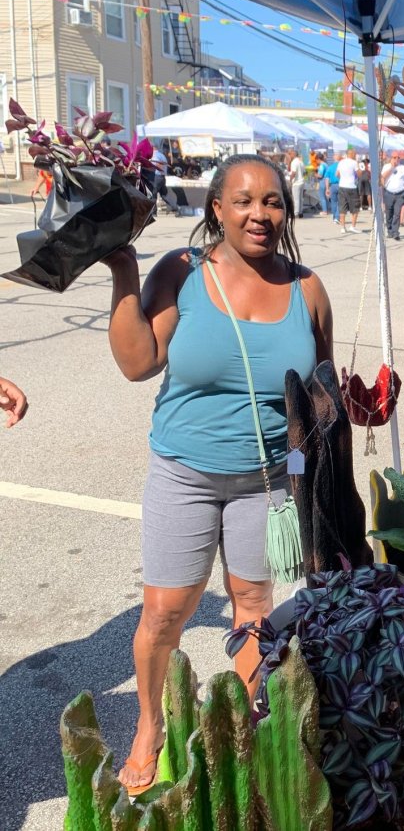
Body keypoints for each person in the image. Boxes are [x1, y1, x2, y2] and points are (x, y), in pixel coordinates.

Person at [101, 153, 333, 797]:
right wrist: (124, 272)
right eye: (244, 201)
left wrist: (343, 411)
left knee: (255, 609)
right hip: (185, 473)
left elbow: (322, 383)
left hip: (266, 482)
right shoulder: (183, 271)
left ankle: (252, 722)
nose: (260, 214)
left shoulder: (308, 287)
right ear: (217, 209)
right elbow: (138, 360)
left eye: (274, 202)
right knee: (166, 612)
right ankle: (150, 726)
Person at [381, 152, 404, 240]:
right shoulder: (386, 167)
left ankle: (395, 232)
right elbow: (382, 177)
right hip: (389, 193)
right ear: (391, 158)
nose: (396, 159)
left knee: (397, 213)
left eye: (398, 158)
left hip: (400, 193)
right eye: (394, 157)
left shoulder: (403, 168)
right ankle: (390, 230)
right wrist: (391, 168)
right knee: (389, 213)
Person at [146, 144, 179, 214]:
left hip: (158, 176)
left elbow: (158, 164)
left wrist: (151, 168)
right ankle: (174, 206)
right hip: (162, 177)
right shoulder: (162, 155)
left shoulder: (155, 155)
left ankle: (153, 211)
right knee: (164, 194)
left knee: (153, 193)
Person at [336, 148, 362, 234]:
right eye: (354, 154)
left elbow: (337, 174)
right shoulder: (354, 163)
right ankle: (352, 226)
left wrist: (343, 178)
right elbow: (359, 174)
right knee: (355, 207)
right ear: (351, 154)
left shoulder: (341, 162)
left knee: (342, 207)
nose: (355, 155)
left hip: (342, 186)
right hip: (352, 186)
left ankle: (343, 227)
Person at [284, 148, 306, 220]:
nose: (289, 156)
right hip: (302, 181)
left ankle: (296, 213)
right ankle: (300, 212)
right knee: (300, 198)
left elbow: (293, 172)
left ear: (293, 154)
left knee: (296, 199)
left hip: (296, 183)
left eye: (290, 154)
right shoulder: (301, 162)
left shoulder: (294, 162)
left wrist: (290, 180)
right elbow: (305, 172)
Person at [324, 151, 342, 224]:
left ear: (334, 158)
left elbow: (327, 178)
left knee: (333, 202)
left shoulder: (330, 167)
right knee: (340, 202)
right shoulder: (342, 166)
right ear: (340, 158)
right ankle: (337, 217)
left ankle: (334, 216)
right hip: (341, 185)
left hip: (332, 186)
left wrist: (327, 188)